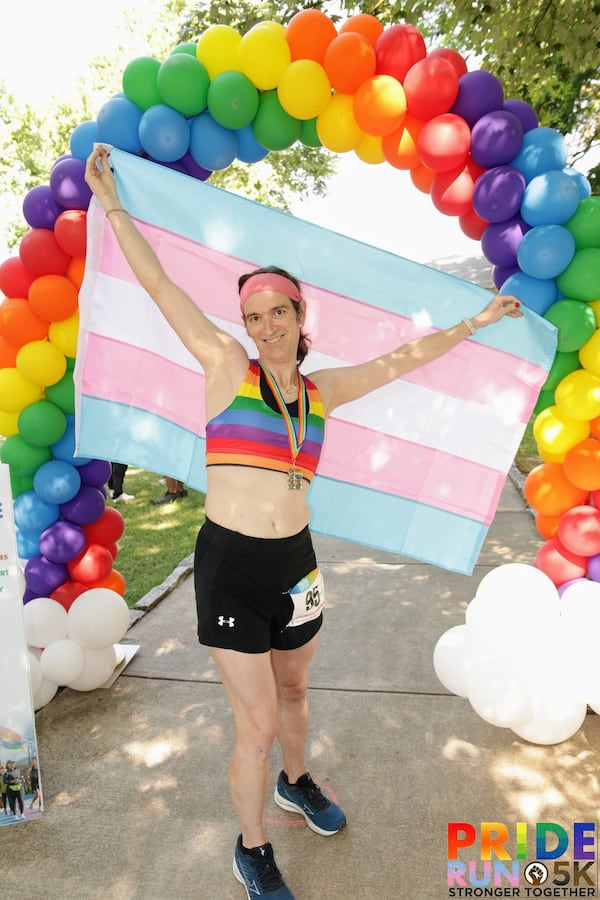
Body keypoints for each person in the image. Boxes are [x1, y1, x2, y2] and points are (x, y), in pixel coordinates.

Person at [85, 146, 522, 899]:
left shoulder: (320, 393)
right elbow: (158, 285)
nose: (263, 327)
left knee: (294, 696)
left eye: (275, 313)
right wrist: (113, 203)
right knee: (253, 725)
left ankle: (297, 783)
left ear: (297, 315)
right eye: (253, 317)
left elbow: (402, 359)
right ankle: (251, 848)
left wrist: (477, 320)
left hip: (297, 560)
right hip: (229, 564)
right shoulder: (226, 365)